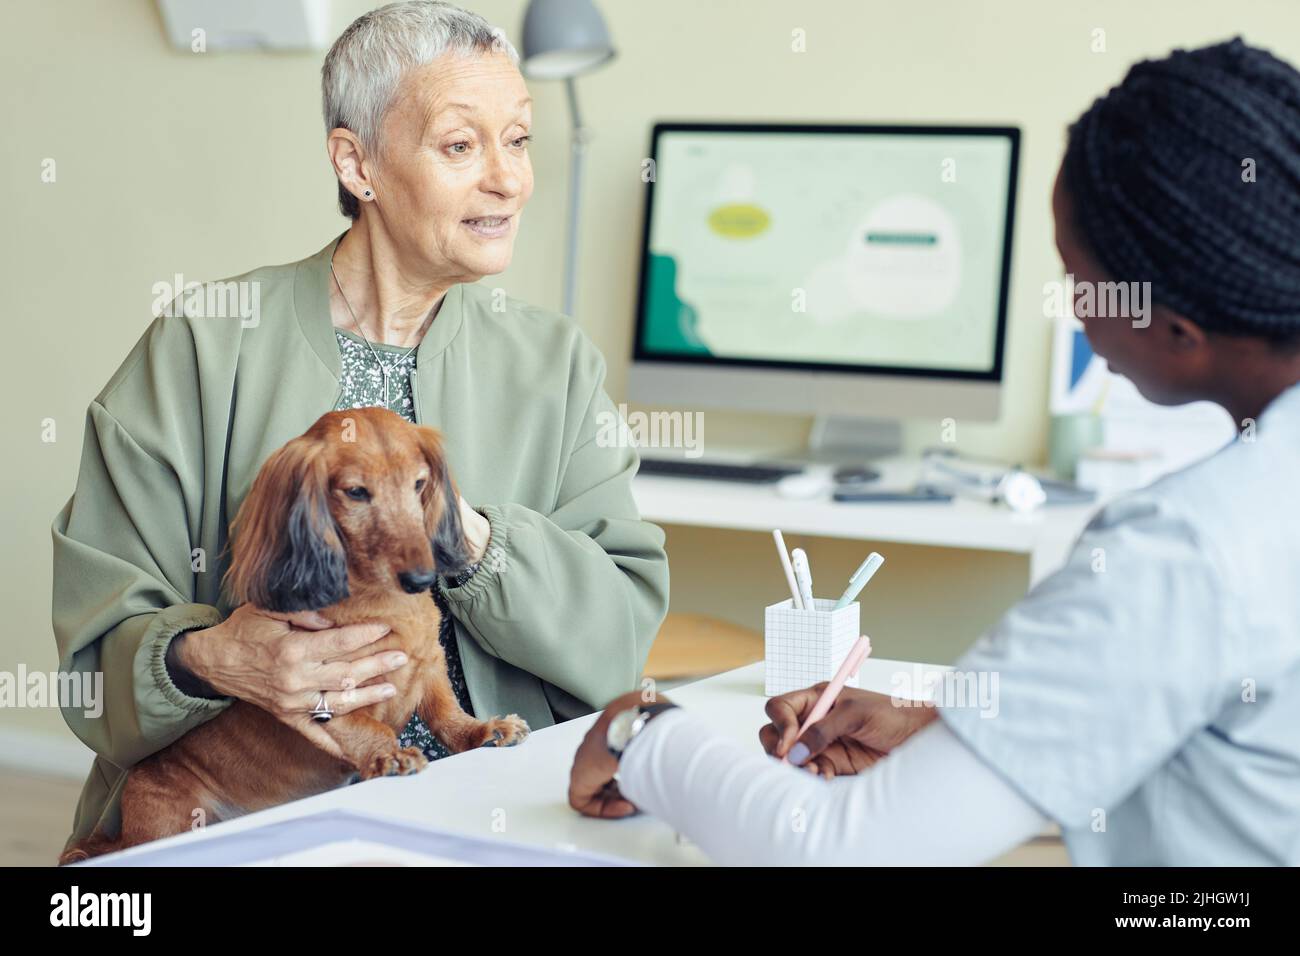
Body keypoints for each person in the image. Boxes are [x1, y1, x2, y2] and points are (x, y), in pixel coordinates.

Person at [569, 37, 1300, 866]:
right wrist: (962, 740)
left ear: (1177, 329)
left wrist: (646, 734)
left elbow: (846, 851)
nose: (1073, 312)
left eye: (1080, 281)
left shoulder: (1182, 552)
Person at [52, 0, 668, 853]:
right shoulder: (202, 345)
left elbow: (620, 634)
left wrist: (466, 536)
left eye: (518, 140)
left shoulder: (556, 364)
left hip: (487, 809)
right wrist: (212, 657)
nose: (509, 179)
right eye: (462, 145)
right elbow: (94, 661)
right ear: (358, 162)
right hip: (255, 811)